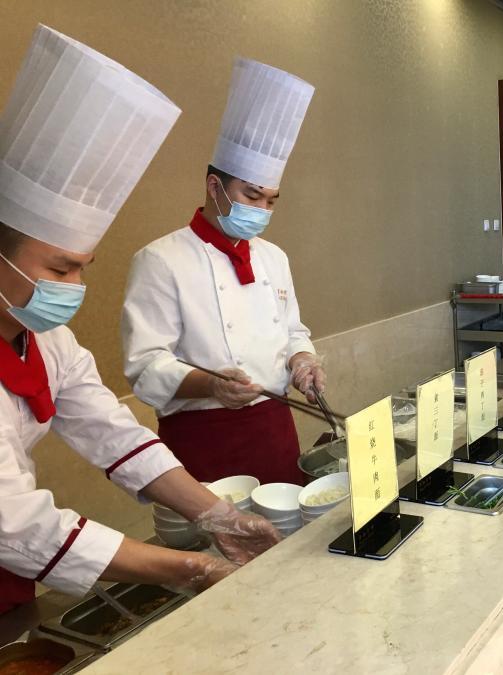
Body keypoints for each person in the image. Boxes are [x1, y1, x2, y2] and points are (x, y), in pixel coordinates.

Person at [0, 25, 279, 614]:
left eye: (83, 268)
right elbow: (19, 524)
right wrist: (189, 567)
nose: (75, 289)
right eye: (60, 268)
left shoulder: (48, 341)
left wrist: (217, 515)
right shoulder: (163, 260)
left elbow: (114, 434)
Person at [121, 57, 322, 485]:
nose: (262, 210)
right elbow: (145, 367)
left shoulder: (274, 257)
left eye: (270, 201)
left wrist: (302, 360)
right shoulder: (161, 259)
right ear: (215, 187)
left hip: (276, 430)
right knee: (216, 528)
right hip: (203, 439)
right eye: (251, 196)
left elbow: (292, 331)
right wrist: (211, 385)